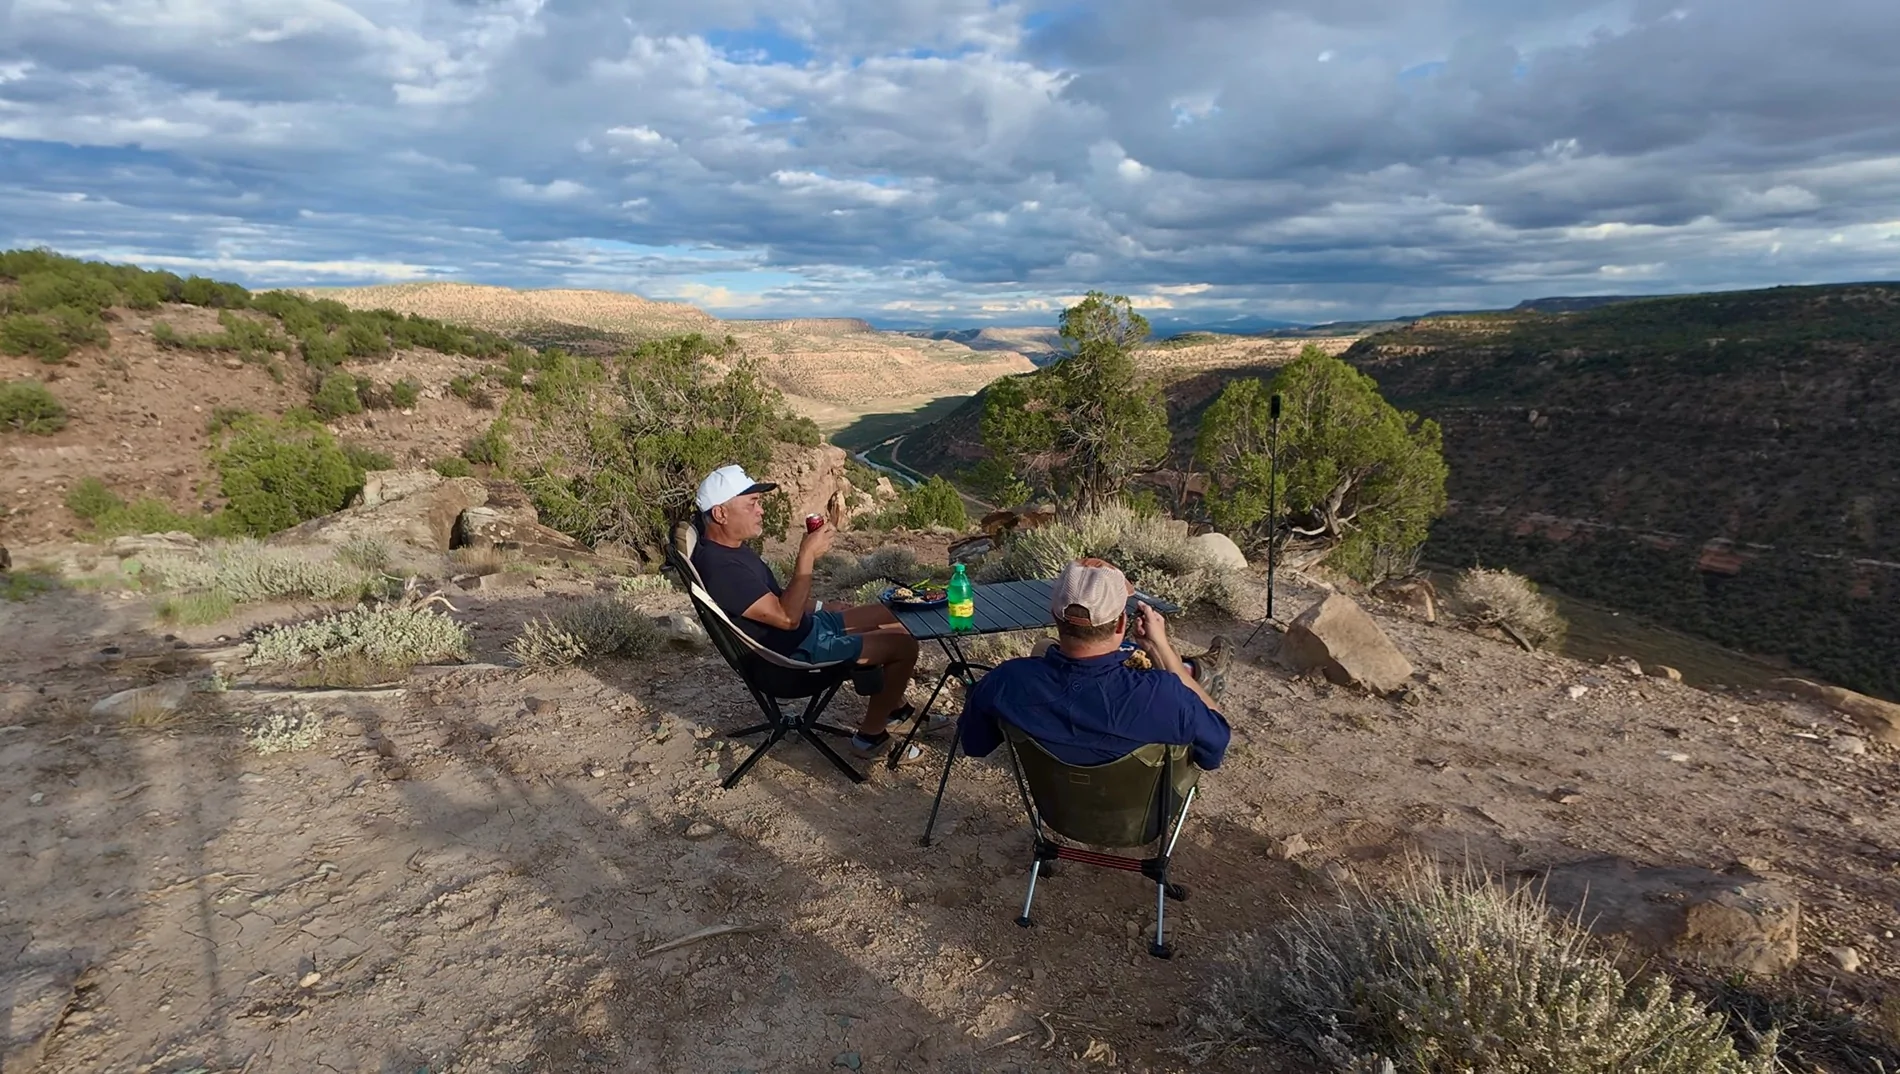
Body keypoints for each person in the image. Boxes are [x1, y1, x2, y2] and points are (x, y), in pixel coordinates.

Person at [690, 464, 926, 760]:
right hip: (792, 657)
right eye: (751, 504)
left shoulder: (732, 549)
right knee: (904, 646)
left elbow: (774, 600)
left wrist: (821, 607)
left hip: (805, 628)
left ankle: (895, 709)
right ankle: (870, 738)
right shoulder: (721, 570)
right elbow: (786, 619)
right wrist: (806, 556)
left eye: (759, 502)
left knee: (890, 616)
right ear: (720, 514)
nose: (761, 510)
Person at [958, 557, 1232, 769]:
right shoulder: (1165, 695)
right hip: (1142, 818)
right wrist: (1161, 649)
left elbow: (974, 744)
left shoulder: (1007, 680)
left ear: (1053, 615)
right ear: (1122, 623)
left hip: (1055, 809)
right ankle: (1190, 669)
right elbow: (1215, 747)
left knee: (1042, 650)